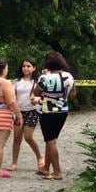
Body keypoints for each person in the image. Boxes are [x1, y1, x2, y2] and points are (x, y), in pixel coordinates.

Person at [32, 51, 76, 180]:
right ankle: (46, 168)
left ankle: (57, 172)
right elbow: (73, 94)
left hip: (48, 111)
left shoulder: (45, 77)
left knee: (50, 141)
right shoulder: (69, 76)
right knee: (51, 139)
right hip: (63, 111)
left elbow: (36, 92)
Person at [9, 57, 44, 173]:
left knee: (28, 137)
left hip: (32, 111)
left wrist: (38, 99)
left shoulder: (38, 81)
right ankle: (14, 162)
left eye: (28, 66)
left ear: (34, 68)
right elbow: (12, 95)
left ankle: (40, 157)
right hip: (19, 112)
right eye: (24, 66)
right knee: (17, 138)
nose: (25, 68)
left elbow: (44, 96)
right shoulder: (16, 81)